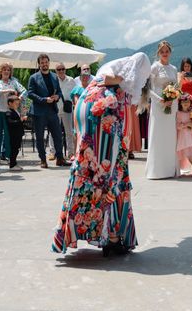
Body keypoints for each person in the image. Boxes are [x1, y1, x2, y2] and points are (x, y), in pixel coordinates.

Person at [51, 52, 151, 256]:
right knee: (112, 174)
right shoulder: (119, 77)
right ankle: (111, 237)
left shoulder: (104, 75)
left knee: (89, 172)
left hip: (90, 116)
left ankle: (87, 232)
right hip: (104, 119)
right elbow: (113, 83)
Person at [145, 40, 179, 179]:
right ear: (158, 53)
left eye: (167, 51)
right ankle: (157, 170)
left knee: (170, 136)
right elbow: (148, 89)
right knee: (158, 135)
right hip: (158, 106)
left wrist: (172, 99)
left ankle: (169, 169)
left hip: (171, 105)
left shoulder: (174, 69)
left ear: (170, 52)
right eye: (162, 52)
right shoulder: (154, 67)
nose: (165, 54)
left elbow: (176, 87)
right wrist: (161, 100)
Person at [27, 53, 67, 168]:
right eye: (42, 63)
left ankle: (60, 158)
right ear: (39, 64)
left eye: (46, 62)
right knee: (40, 137)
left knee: (58, 135)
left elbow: (59, 91)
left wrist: (57, 97)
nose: (44, 64)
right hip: (39, 112)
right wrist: (44, 99)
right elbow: (30, 93)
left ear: (49, 63)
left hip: (52, 111)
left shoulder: (54, 76)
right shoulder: (33, 77)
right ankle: (43, 160)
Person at [0, 62, 26, 164]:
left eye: (8, 70)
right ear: (1, 71)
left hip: (9, 112)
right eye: (4, 70)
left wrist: (19, 98)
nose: (6, 72)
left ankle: (8, 156)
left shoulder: (14, 82)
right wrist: (5, 91)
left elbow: (25, 91)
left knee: (9, 134)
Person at [48, 63, 76, 161]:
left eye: (62, 69)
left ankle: (71, 153)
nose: (61, 71)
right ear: (56, 71)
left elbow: (75, 93)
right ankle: (52, 152)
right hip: (55, 108)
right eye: (58, 69)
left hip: (67, 109)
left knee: (69, 132)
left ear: (65, 69)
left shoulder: (71, 80)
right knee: (53, 131)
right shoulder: (53, 80)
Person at [5, 95, 25, 171]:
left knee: (16, 149)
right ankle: (12, 164)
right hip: (14, 134)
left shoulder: (16, 111)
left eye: (18, 103)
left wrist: (23, 120)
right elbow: (10, 122)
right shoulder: (8, 112)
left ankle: (14, 163)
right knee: (14, 149)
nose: (18, 105)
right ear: (10, 103)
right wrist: (20, 120)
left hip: (18, 133)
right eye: (16, 103)